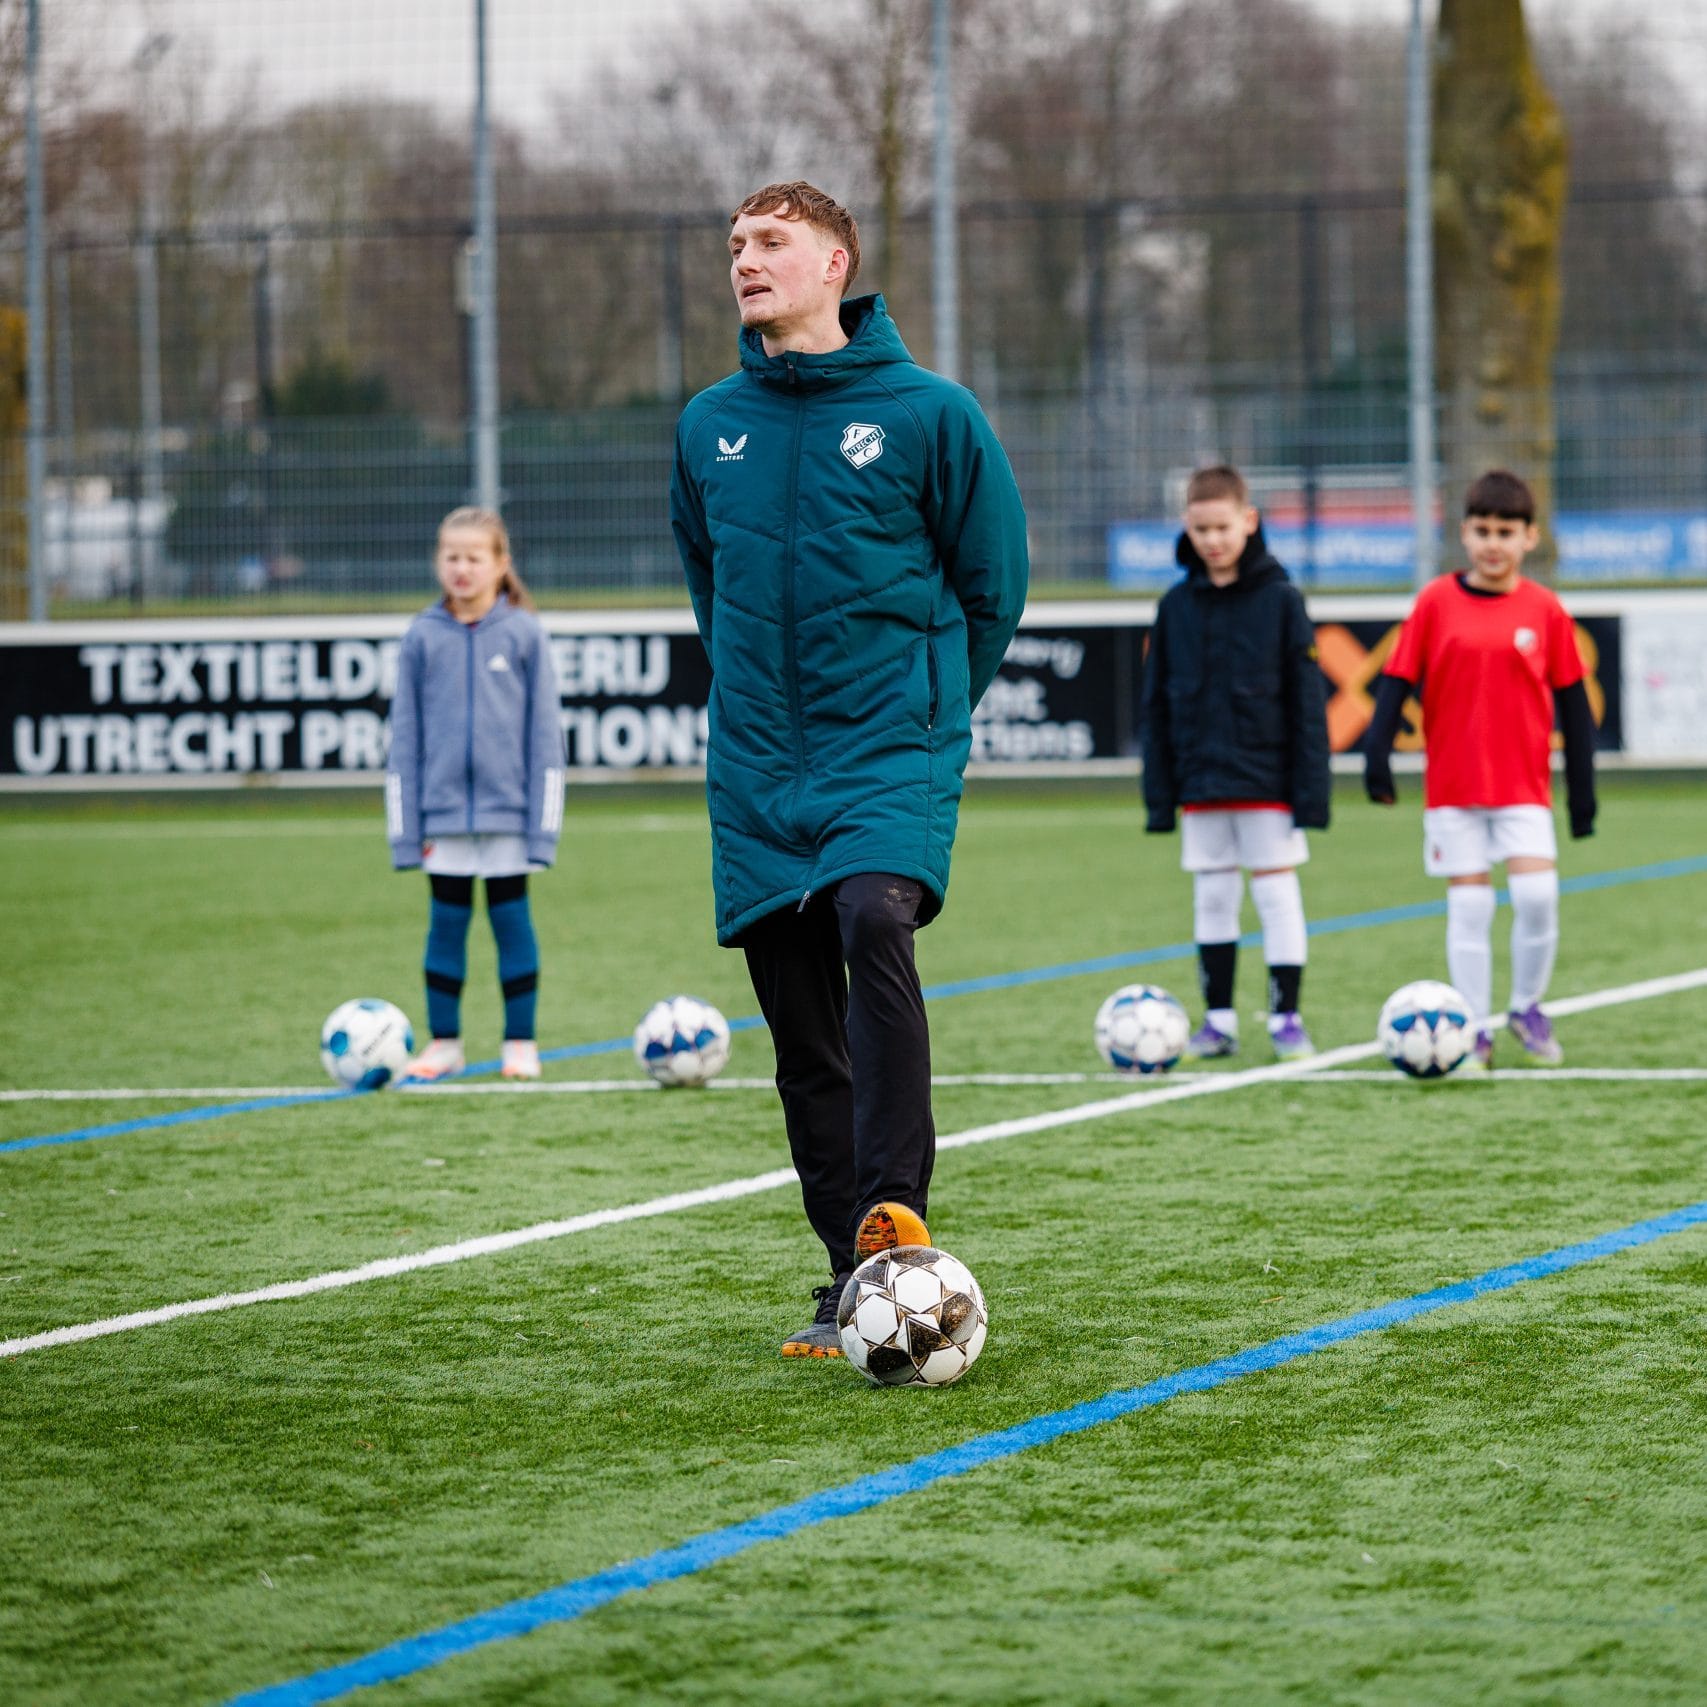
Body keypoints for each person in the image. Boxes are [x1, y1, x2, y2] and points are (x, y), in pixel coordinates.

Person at [669, 181, 1029, 1358]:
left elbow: (994, 587)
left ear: (836, 263)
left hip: (890, 746)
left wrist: (932, 710)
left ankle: (895, 1227)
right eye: (735, 245)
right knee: (798, 1025)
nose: (745, 261)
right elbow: (709, 587)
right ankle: (845, 1275)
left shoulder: (932, 414)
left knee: (876, 918)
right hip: (760, 768)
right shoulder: (707, 423)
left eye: (771, 243)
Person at [1364, 469, 1597, 1069]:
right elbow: (1396, 682)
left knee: (1537, 893)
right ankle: (1474, 1027)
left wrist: (1583, 792)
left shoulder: (1544, 610)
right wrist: (1377, 755)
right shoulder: (1436, 601)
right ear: (1463, 533)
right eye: (1482, 530)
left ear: (1529, 537)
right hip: (1453, 787)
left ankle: (1526, 1007)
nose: (1494, 542)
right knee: (1469, 908)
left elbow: (1573, 701)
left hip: (1523, 787)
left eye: (1506, 531)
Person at [1140, 464, 1331, 1062]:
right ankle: (1218, 1022)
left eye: (1222, 526)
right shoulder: (1175, 607)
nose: (1212, 540)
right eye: (1200, 529)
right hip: (1202, 783)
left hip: (1267, 783)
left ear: (1248, 521)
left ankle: (1286, 1019)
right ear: (1187, 529)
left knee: (1277, 897)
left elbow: (1307, 705)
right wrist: (1160, 794)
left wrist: (1310, 792)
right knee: (1213, 899)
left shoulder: (1281, 600)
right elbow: (1156, 707)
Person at [386, 506, 566, 1082]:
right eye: (451, 556)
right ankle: (445, 1043)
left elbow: (546, 740)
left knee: (512, 922)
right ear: (438, 561)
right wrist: (404, 833)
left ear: (500, 563)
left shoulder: (523, 633)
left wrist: (543, 829)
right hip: (442, 818)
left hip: (509, 815)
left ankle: (520, 1042)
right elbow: (403, 741)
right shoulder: (421, 636)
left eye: (473, 557)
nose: (461, 568)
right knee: (446, 925)